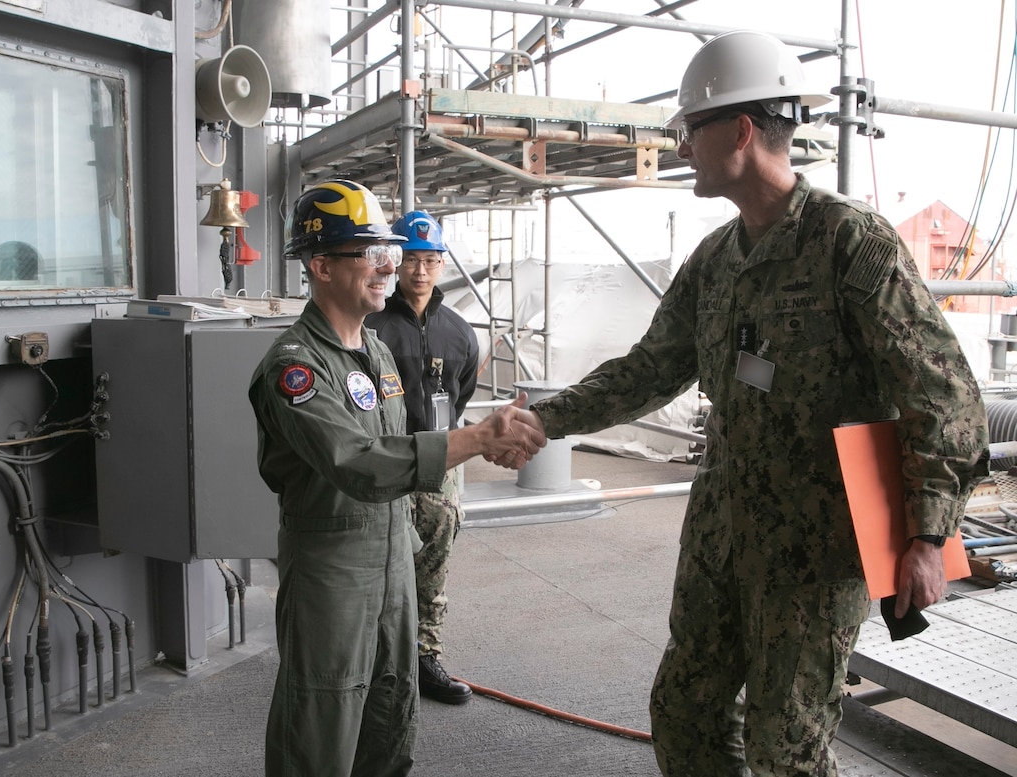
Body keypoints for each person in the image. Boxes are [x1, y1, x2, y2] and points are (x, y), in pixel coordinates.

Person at [492, 30, 989, 776]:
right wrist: (546, 418)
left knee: (784, 750)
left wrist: (927, 533)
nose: (684, 148)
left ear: (742, 129)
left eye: (693, 130)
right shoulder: (716, 260)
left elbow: (944, 392)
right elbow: (649, 368)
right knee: (684, 716)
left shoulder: (847, 243)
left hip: (813, 554)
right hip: (721, 536)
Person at [248, 179, 546, 777]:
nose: (389, 264)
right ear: (320, 265)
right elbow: (358, 461)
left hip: (394, 560)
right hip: (333, 572)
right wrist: (476, 438)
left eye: (388, 249)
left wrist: (474, 448)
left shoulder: (376, 351)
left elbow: (404, 442)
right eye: (368, 250)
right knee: (321, 729)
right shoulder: (295, 368)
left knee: (390, 718)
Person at [364, 211, 481, 705]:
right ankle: (372, 663)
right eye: (410, 260)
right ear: (395, 263)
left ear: (441, 265)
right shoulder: (371, 327)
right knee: (377, 562)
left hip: (440, 468)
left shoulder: (460, 333)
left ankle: (423, 655)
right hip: (387, 462)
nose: (419, 271)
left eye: (430, 261)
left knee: (432, 563)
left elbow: (462, 397)